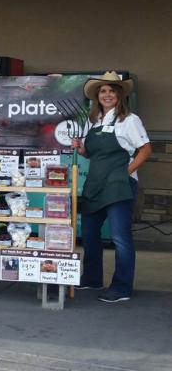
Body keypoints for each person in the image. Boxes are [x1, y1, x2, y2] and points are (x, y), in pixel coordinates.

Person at [71, 71, 151, 303]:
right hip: (95, 185)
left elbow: (145, 149)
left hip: (118, 187)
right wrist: (81, 148)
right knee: (89, 234)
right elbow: (94, 154)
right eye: (103, 91)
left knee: (120, 238)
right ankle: (92, 278)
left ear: (119, 94)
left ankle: (122, 287)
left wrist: (126, 172)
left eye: (111, 90)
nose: (107, 94)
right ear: (97, 96)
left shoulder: (129, 120)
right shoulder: (93, 121)